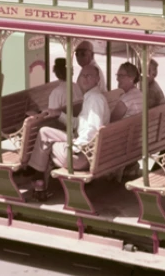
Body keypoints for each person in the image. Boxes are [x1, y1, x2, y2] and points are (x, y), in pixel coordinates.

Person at [24, 63, 109, 192]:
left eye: (89, 76)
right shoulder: (92, 96)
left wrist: (76, 146)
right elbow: (79, 124)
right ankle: (38, 176)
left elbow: (93, 130)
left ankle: (39, 180)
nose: (85, 78)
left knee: (47, 146)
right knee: (44, 133)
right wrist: (59, 114)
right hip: (90, 151)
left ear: (97, 79)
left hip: (83, 157)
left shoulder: (94, 100)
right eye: (83, 75)